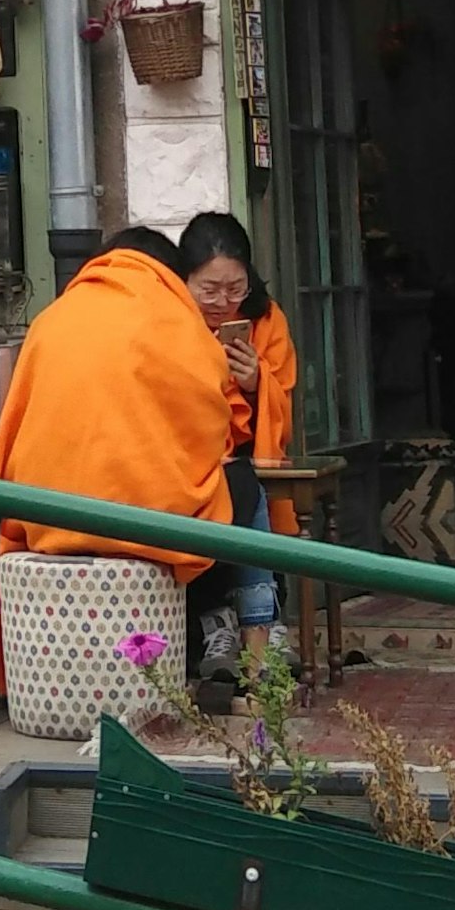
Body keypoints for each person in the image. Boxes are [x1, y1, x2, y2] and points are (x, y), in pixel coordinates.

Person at [0, 226, 241, 655]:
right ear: (170, 277)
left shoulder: (51, 318)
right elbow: (211, 428)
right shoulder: (176, 320)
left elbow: (16, 417)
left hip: (45, 519)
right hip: (144, 525)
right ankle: (231, 632)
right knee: (238, 488)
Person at [177, 211, 297, 678]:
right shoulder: (170, 321)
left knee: (244, 484)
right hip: (187, 454)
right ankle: (249, 628)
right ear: (183, 280)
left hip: (246, 452)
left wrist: (254, 384)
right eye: (209, 290)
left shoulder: (265, 319)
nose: (223, 302)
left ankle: (251, 628)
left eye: (235, 288)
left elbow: (281, 393)